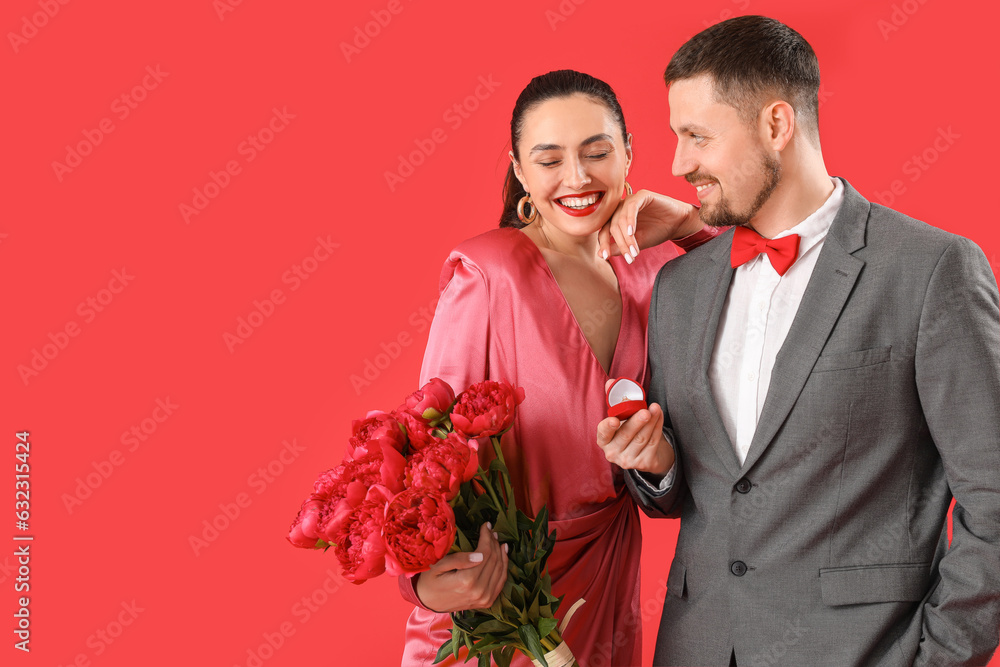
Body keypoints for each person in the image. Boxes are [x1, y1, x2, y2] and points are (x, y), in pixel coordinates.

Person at [596, 15, 1000, 667]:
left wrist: (939, 657)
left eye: (697, 136)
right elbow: (701, 491)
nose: (677, 164)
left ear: (776, 125)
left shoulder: (930, 270)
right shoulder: (679, 285)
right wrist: (655, 461)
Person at [397, 69, 718, 666]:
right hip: (499, 606)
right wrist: (417, 583)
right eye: (550, 160)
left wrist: (686, 223)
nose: (577, 178)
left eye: (597, 152)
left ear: (629, 155)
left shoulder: (655, 272)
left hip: (606, 586)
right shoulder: (488, 274)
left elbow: (773, 283)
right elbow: (427, 450)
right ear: (519, 171)